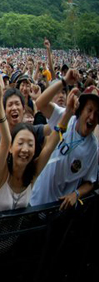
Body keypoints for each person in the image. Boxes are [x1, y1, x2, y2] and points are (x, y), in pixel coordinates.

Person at [0, 77, 62, 212]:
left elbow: (52, 139)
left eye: (30, 144)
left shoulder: (32, 174)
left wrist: (67, 114)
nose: (25, 150)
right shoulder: (0, 174)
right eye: (20, 143)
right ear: (10, 148)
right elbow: (6, 139)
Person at [31, 70, 98, 208]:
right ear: (81, 109)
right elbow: (40, 104)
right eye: (89, 110)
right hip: (36, 200)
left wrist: (76, 194)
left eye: (97, 114)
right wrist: (64, 81)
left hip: (59, 210)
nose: (92, 117)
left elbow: (90, 181)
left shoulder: (94, 148)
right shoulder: (64, 116)